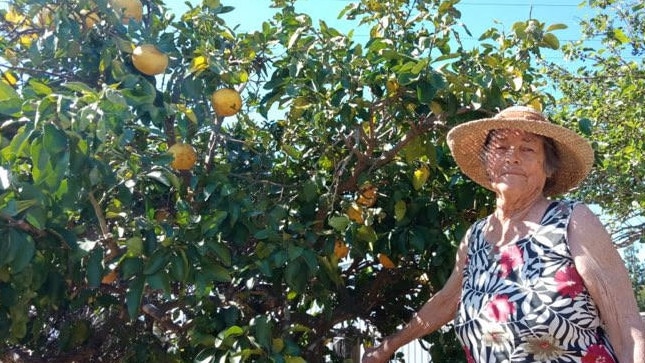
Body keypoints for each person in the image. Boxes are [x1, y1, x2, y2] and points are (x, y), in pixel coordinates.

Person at [362, 106, 645, 362]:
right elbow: (447, 300)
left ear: (548, 167)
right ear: (487, 163)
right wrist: (390, 345)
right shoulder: (476, 237)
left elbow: (626, 324)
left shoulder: (572, 220)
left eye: (527, 149)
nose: (513, 157)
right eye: (501, 147)